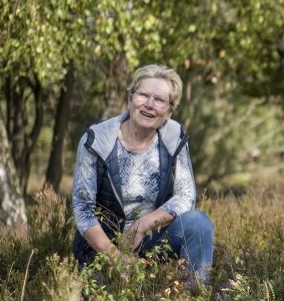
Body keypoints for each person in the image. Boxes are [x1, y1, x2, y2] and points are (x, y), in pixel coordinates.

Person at [71, 64, 214, 288]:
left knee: (198, 222)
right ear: (130, 99)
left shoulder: (174, 138)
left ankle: (193, 299)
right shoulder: (96, 140)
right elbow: (82, 210)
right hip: (102, 247)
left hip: (151, 242)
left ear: (169, 111)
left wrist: (142, 225)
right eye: (143, 95)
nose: (149, 104)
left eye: (159, 100)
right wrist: (116, 258)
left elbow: (186, 196)